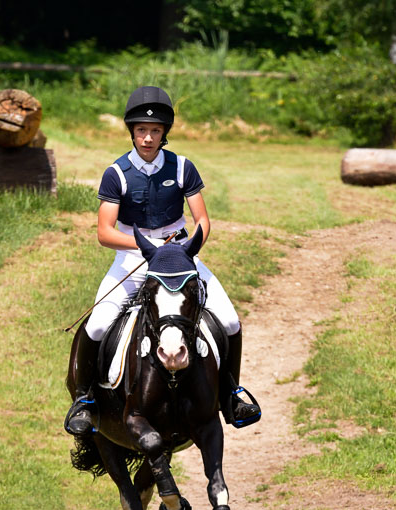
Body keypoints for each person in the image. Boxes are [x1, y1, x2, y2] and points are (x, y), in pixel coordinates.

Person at [64, 85, 261, 436]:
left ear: (164, 133)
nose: (148, 138)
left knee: (230, 321)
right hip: (131, 259)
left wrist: (185, 248)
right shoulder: (117, 173)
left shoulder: (183, 167)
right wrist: (149, 245)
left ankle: (232, 393)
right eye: (141, 130)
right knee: (96, 325)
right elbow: (104, 232)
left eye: (155, 131)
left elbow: (202, 220)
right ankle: (84, 400)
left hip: (179, 258)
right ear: (132, 132)